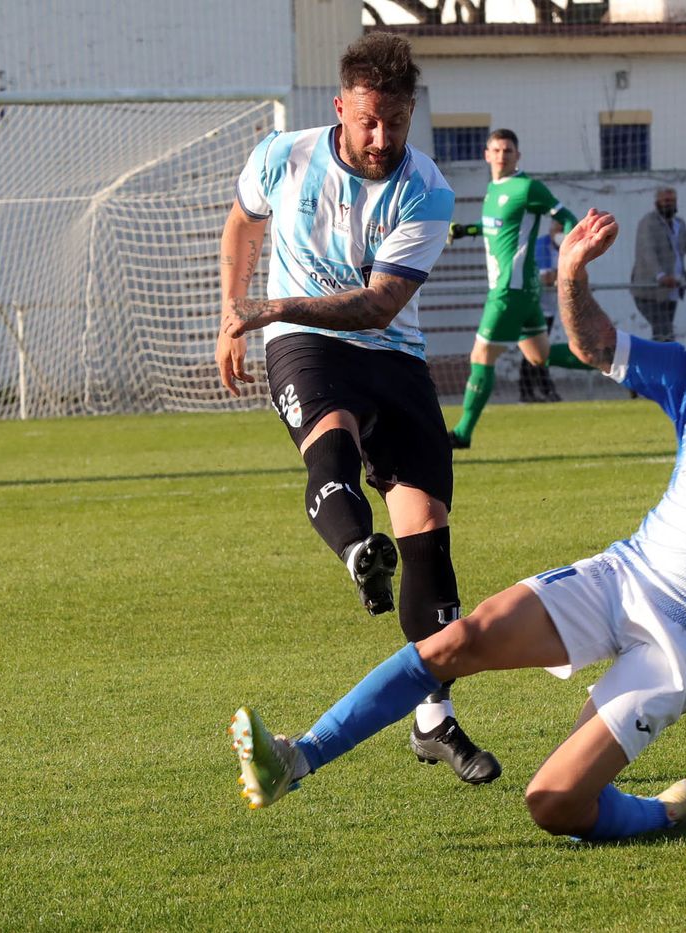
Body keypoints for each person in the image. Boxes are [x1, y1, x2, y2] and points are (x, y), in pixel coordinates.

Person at [227, 207, 686, 843]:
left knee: (554, 802)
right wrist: (571, 272)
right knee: (458, 640)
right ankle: (296, 757)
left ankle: (660, 814)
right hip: (622, 576)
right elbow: (594, 344)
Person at [215, 33, 499, 786]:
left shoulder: (428, 190)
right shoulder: (283, 157)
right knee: (330, 442)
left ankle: (433, 718)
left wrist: (272, 303)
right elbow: (243, 223)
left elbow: (378, 305)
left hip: (392, 352)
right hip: (305, 345)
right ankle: (356, 553)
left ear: (411, 115)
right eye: (369, 120)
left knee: (428, 535)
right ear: (340, 107)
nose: (381, 138)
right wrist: (232, 314)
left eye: (395, 123)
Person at [445, 130, 590, 447]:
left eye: (508, 150)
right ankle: (610, 361)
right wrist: (468, 230)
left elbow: (569, 220)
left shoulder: (527, 188)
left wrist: (569, 260)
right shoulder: (494, 189)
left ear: (517, 156)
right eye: (496, 150)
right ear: (486, 155)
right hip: (522, 290)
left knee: (481, 355)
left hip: (510, 289)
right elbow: (499, 228)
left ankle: (463, 434)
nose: (502, 156)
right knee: (540, 355)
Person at [630, 186, 686, 344]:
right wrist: (660, 276)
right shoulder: (648, 223)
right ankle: (661, 359)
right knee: (664, 332)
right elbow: (648, 252)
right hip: (649, 291)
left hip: (671, 290)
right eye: (666, 200)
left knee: (663, 334)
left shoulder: (679, 224)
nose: (669, 204)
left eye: (672, 200)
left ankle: (659, 358)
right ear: (657, 202)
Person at [520, 217, 568, 403]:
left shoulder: (565, 248)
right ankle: (535, 391)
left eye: (565, 229)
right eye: (559, 228)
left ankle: (537, 391)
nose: (562, 233)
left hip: (549, 309)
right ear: (552, 229)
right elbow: (546, 279)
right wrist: (567, 274)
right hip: (534, 307)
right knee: (535, 350)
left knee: (538, 350)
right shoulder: (542, 246)